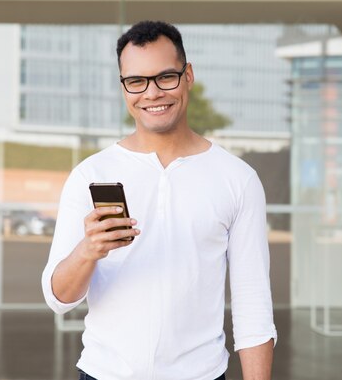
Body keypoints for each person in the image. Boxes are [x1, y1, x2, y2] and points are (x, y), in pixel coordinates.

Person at [42, 20, 277, 380]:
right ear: (124, 88)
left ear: (188, 76)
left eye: (165, 77)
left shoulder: (237, 179)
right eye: (136, 81)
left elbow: (253, 305)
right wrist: (87, 250)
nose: (152, 93)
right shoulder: (91, 175)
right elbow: (60, 298)